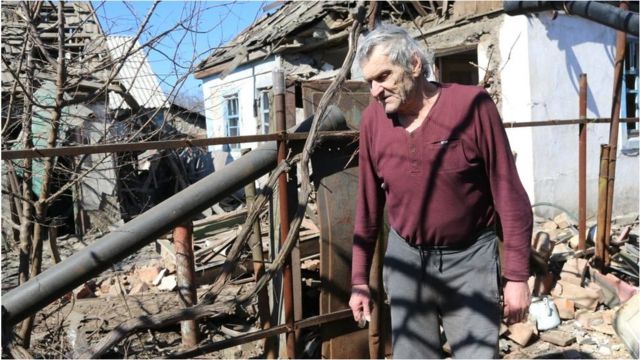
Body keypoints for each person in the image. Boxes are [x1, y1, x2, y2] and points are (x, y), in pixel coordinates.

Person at [348, 24, 533, 359]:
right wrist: (359, 280)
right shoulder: (373, 122)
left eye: (384, 76)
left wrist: (517, 277)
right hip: (406, 261)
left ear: (415, 65)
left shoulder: (472, 106)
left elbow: (509, 193)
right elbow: (368, 207)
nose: (375, 90)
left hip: (470, 260)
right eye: (369, 82)